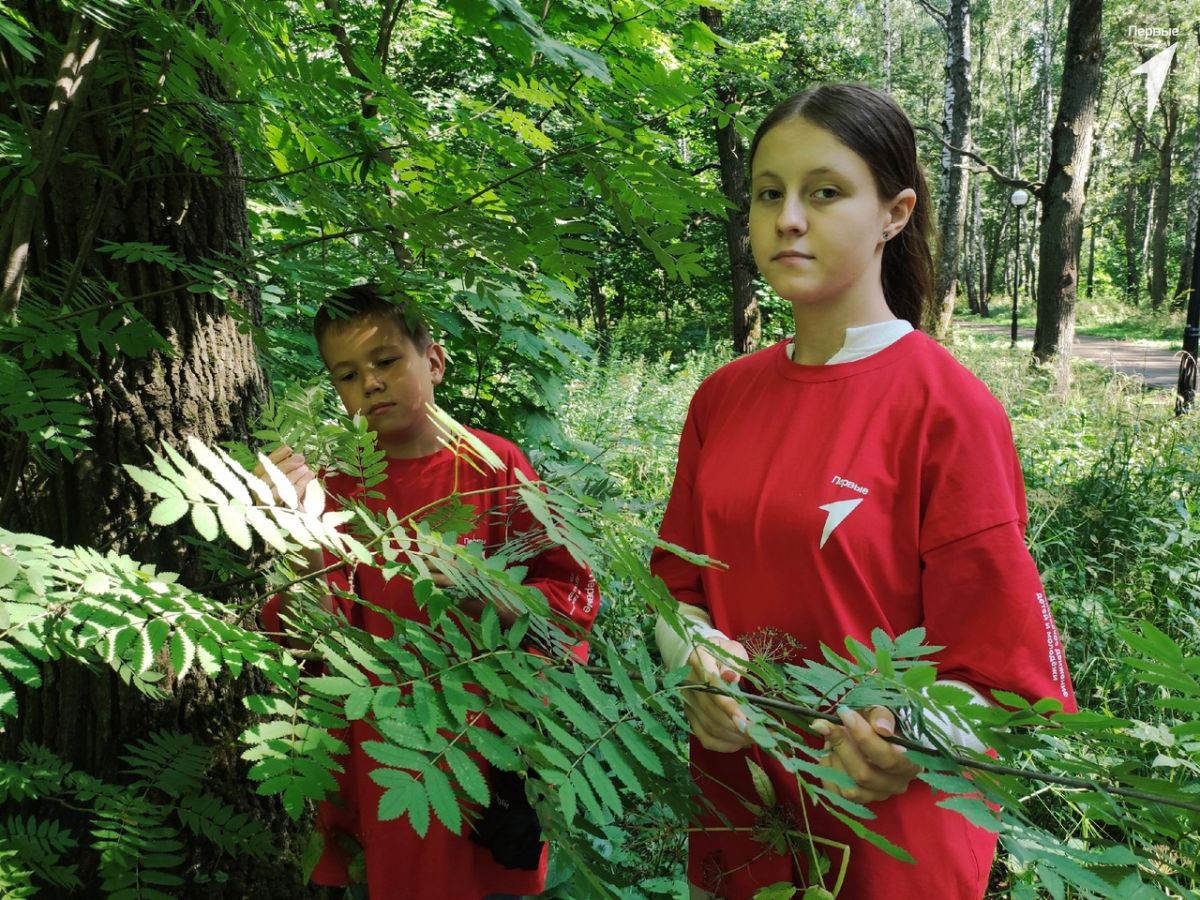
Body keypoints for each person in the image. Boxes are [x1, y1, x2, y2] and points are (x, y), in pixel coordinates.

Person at [650, 83, 1076, 899]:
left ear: (895, 211)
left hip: (886, 827)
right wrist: (692, 659)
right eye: (769, 194)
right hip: (743, 811)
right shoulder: (722, 398)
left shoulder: (944, 408)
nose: (789, 219)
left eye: (825, 192)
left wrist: (908, 736)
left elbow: (1006, 673)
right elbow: (675, 587)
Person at [259, 283, 598, 898]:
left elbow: (571, 596)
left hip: (482, 755)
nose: (371, 383)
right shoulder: (334, 488)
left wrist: (492, 594)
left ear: (433, 361)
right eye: (347, 374)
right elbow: (308, 641)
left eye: (386, 360)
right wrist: (298, 534)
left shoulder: (494, 465)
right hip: (381, 763)